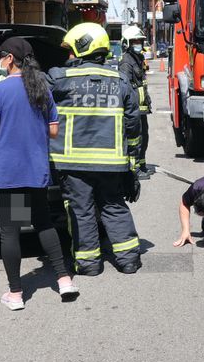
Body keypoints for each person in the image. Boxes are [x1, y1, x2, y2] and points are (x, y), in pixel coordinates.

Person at [0, 37, 78, 310]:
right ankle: (65, 280)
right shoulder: (41, 88)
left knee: (10, 232)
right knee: (43, 223)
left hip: (6, 174)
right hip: (35, 171)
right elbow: (54, 130)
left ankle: (15, 293)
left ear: (10, 59)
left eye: (1, 56)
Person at [50, 23, 143, 276]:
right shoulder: (120, 80)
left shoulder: (59, 78)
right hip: (112, 162)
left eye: (70, 50)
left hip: (73, 164)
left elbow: (26, 86)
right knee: (114, 206)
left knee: (81, 211)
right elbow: (133, 126)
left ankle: (89, 264)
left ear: (82, 47)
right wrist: (133, 167)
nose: (68, 56)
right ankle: (129, 260)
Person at [119, 25, 153, 179]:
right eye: (135, 41)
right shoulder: (126, 61)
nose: (138, 44)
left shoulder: (138, 59)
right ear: (127, 43)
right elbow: (125, 85)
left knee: (144, 137)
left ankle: (142, 164)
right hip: (133, 107)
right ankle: (134, 171)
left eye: (140, 41)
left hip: (141, 107)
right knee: (135, 139)